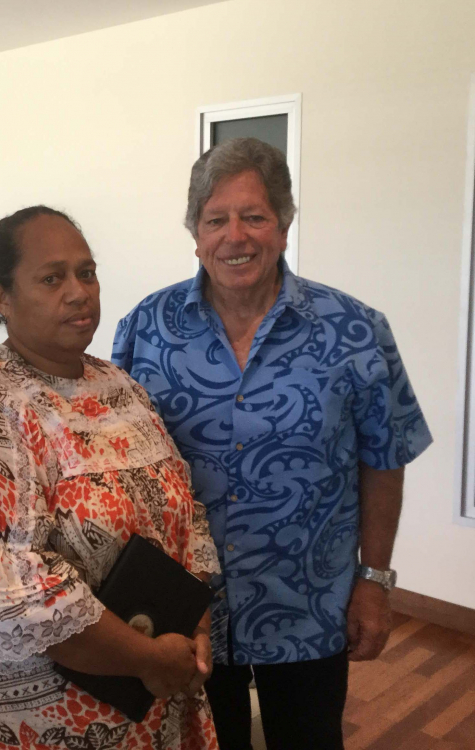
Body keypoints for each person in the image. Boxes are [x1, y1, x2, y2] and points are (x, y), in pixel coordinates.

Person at [111, 137, 432, 750]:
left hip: (310, 605)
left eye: (254, 216)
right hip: (185, 608)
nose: (236, 236)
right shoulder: (146, 329)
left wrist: (375, 581)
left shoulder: (355, 330)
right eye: (216, 220)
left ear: (283, 226)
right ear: (196, 234)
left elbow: (384, 460)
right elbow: (119, 460)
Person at [0, 205, 220, 750]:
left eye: (86, 273)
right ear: (3, 297)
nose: (78, 292)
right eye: (52, 278)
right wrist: (148, 656)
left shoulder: (120, 386)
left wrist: (195, 632)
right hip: (34, 723)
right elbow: (10, 584)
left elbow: (186, 512)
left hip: (151, 697)